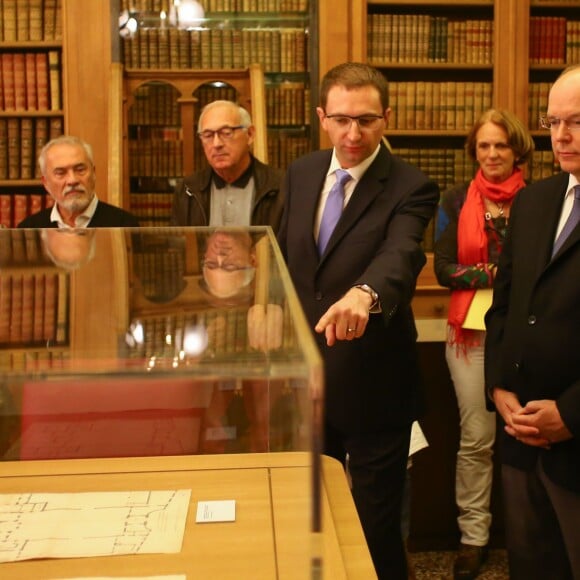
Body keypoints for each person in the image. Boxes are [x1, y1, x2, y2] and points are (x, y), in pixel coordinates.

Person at [277, 62, 439, 579]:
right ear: (323, 117)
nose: (353, 133)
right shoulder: (300, 174)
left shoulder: (412, 186)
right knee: (308, 521)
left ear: (386, 118)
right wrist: (264, 302)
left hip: (374, 387)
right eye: (342, 119)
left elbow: (401, 256)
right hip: (304, 385)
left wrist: (363, 295)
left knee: (375, 530)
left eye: (366, 120)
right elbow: (282, 258)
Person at [485, 66, 580, 579]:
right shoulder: (535, 199)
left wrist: (571, 413)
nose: (561, 136)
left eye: (578, 122)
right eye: (553, 121)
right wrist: (498, 386)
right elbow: (504, 305)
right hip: (519, 437)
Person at [433, 109, 534, 579]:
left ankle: (530, 537)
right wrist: (498, 274)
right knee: (477, 439)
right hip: (470, 334)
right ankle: (473, 536)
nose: (492, 154)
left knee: (528, 435)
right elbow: (443, 269)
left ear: (517, 151)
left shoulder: (540, 200)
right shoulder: (453, 201)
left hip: (527, 334)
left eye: (500, 146)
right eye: (483, 147)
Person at [170, 100, 284, 230]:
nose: (216, 143)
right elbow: (177, 246)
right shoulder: (187, 190)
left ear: (250, 134)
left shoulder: (280, 187)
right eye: (208, 135)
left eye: (226, 132)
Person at [18, 136, 139, 228]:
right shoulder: (29, 229)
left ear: (93, 173)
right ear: (45, 182)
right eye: (60, 173)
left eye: (80, 170)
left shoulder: (124, 225)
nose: (72, 180)